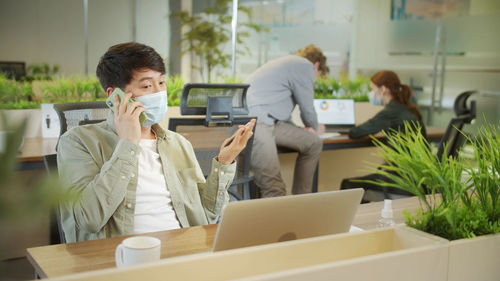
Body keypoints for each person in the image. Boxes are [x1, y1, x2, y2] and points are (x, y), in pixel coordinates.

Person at [57, 42, 255, 242]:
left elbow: (206, 216)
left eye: (161, 83)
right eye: (146, 86)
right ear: (114, 96)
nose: (159, 93)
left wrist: (224, 161)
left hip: (183, 251)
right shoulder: (77, 142)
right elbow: (88, 219)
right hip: (124, 256)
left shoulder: (177, 143)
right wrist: (128, 144)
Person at [246, 44, 328, 198]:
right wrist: (315, 127)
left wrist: (302, 129)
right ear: (317, 65)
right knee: (274, 187)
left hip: (270, 121)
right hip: (256, 121)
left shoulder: (288, 65)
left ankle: (302, 201)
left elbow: (281, 113)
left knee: (313, 143)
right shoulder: (305, 66)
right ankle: (277, 221)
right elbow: (307, 108)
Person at [340, 70, 427, 201]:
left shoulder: (390, 112)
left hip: (400, 178)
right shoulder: (409, 110)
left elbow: (355, 133)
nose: (371, 94)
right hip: (419, 177)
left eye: (373, 89)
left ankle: (357, 221)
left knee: (348, 185)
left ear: (384, 89)